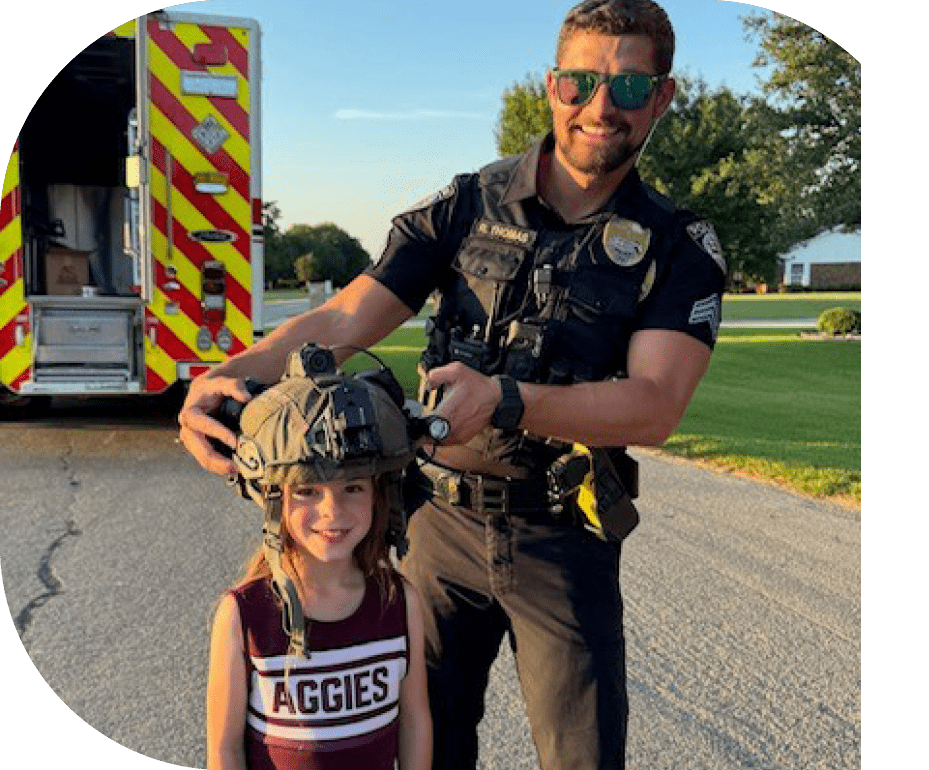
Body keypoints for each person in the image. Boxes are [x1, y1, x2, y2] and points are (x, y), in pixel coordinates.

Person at [184, 1, 727, 767]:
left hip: (562, 534)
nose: (600, 107)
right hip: (435, 527)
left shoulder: (677, 245)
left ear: (662, 97)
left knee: (583, 754)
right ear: (551, 86)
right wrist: (228, 374)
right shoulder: (468, 204)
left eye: (630, 88)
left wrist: (507, 399)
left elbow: (655, 406)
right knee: (425, 749)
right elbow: (344, 319)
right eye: (580, 82)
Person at [205, 346, 432, 770]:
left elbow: (415, 719)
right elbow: (224, 749)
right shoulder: (243, 613)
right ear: (274, 499)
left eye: (354, 488)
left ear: (379, 495)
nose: (333, 512)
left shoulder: (400, 601)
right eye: (307, 491)